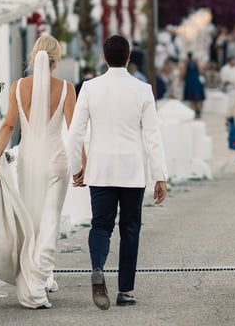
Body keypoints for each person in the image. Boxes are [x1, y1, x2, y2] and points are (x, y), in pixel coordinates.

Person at [67, 35, 168, 311]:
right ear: (128, 57)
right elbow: (152, 136)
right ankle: (125, 290)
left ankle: (98, 266)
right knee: (130, 228)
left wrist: (76, 167)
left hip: (100, 169)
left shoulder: (89, 88)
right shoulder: (143, 90)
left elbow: (75, 133)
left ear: (103, 57)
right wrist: (160, 175)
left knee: (100, 225)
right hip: (132, 171)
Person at [0, 35, 77, 309]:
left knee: (32, 219)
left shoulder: (17, 87)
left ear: (32, 56)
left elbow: (8, 127)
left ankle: (41, 278)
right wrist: (82, 164)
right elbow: (74, 130)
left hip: (28, 160)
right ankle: (37, 281)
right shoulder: (66, 89)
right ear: (55, 60)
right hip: (57, 161)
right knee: (50, 219)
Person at [182, 52, 206, 118]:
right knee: (197, 97)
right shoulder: (196, 62)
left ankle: (193, 112)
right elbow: (200, 72)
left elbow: (183, 73)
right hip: (196, 81)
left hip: (189, 81)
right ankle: (198, 111)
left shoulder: (186, 63)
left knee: (191, 98)